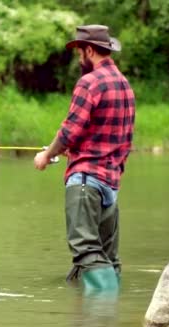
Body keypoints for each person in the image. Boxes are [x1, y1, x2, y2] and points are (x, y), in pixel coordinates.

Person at [34, 25, 135, 292]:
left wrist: (47, 154)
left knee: (87, 253)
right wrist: (75, 149)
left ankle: (103, 310)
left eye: (80, 52)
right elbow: (118, 138)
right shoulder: (125, 86)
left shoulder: (89, 83)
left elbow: (69, 131)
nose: (79, 59)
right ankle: (102, 321)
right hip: (111, 186)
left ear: (89, 51)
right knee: (107, 258)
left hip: (85, 183)